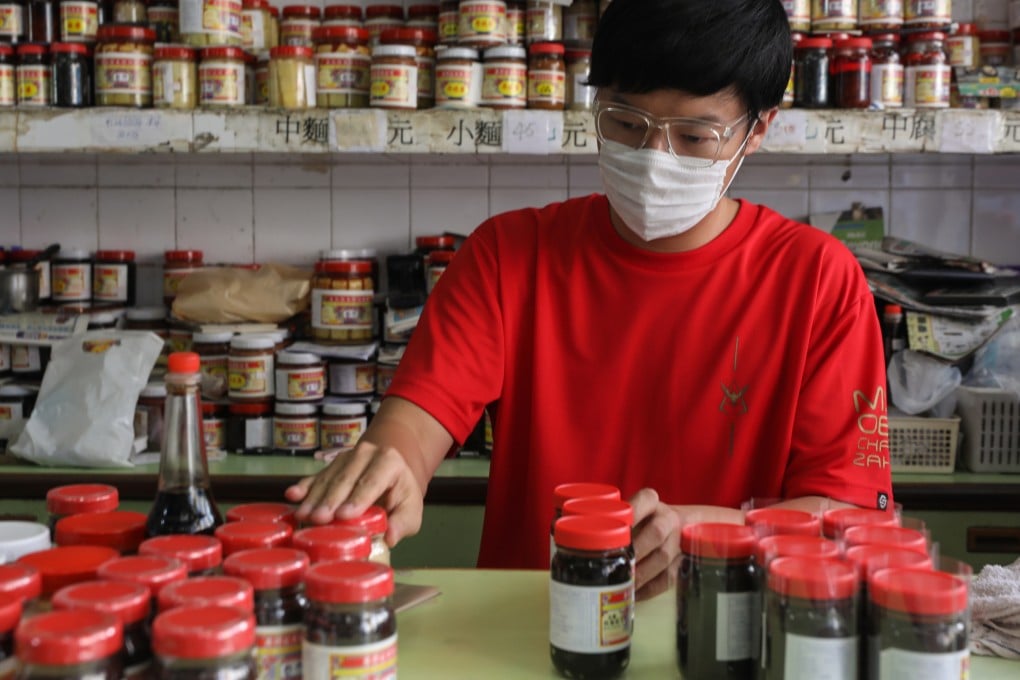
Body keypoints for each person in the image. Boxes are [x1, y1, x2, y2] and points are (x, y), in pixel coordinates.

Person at [288, 0, 893, 600]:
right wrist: (389, 469)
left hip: (725, 629)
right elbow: (415, 425)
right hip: (529, 626)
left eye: (694, 135)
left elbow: (847, 516)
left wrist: (716, 535)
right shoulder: (507, 256)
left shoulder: (816, 280)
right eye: (626, 124)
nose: (656, 159)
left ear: (757, 129)